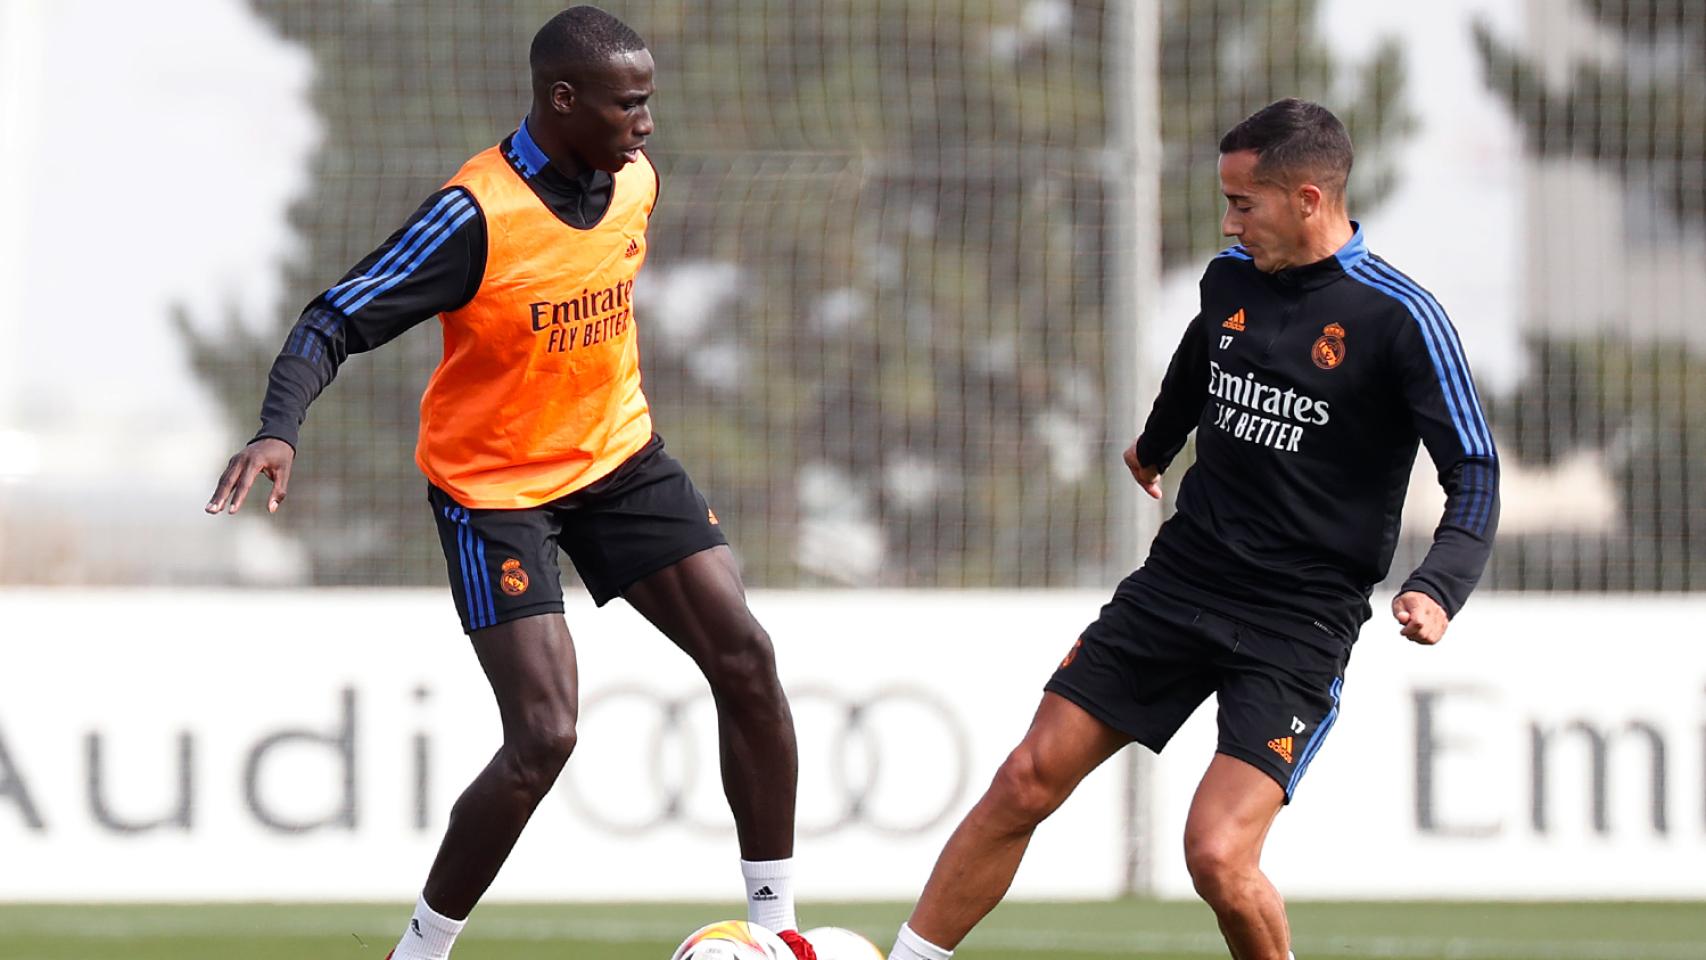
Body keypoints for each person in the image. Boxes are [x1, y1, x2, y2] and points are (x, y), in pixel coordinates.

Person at [204, 8, 816, 960]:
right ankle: (421, 951)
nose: (646, 124)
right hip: (494, 489)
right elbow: (330, 321)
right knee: (546, 736)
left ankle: (779, 936)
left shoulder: (635, 183)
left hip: (618, 458)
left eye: (649, 103)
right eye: (630, 105)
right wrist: (278, 430)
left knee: (746, 657)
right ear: (563, 100)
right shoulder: (473, 216)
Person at [885, 98, 1500, 960]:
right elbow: (1205, 350)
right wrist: (1159, 440)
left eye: (1244, 203)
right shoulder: (1231, 277)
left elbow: (1475, 469)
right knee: (1026, 779)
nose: (1228, 221)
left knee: (1215, 855)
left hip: (1298, 618)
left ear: (1309, 201)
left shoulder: (1401, 317)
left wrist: (1437, 588)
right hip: (1181, 581)